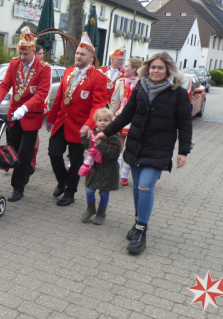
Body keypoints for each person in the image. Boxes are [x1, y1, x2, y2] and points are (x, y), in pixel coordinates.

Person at [95, 52, 192, 254]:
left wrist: (183, 151)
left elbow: (184, 124)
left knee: (145, 186)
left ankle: (141, 231)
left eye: (160, 68)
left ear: (168, 71)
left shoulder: (178, 93)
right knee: (138, 189)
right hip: (136, 145)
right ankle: (139, 221)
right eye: (153, 67)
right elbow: (126, 115)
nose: (155, 71)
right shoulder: (141, 87)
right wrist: (106, 133)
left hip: (160, 148)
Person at [0, 27, 51, 202]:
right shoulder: (14, 64)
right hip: (13, 117)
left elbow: (41, 94)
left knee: (24, 153)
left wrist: (25, 108)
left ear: (34, 52)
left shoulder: (44, 69)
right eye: (20, 53)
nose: (22, 57)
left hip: (30, 117)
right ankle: (26, 169)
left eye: (26, 54)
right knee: (13, 149)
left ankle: (18, 187)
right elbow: (5, 84)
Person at [46, 32, 107, 206]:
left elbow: (98, 106)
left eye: (82, 54)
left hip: (81, 127)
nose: (78, 56)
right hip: (61, 122)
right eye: (77, 53)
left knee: (75, 160)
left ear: (91, 57)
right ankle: (62, 181)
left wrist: (89, 125)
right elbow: (59, 98)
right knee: (54, 153)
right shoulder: (68, 71)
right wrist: (51, 117)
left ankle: (70, 192)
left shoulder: (98, 78)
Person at [79, 108, 120, 225]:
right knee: (89, 190)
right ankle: (90, 208)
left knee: (104, 193)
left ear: (111, 122)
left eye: (106, 120)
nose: (103, 123)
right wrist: (83, 137)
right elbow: (89, 147)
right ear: (95, 122)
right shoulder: (94, 133)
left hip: (108, 170)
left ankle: (101, 213)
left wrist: (100, 143)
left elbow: (112, 154)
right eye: (100, 120)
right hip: (94, 169)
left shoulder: (114, 137)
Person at [109, 57, 143, 186]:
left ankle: (125, 174)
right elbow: (114, 102)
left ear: (135, 69)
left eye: (127, 66)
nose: (124, 68)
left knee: (132, 147)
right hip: (122, 117)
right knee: (118, 146)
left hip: (137, 120)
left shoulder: (142, 83)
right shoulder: (121, 82)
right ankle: (116, 173)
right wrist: (108, 117)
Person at [31, 44, 52, 172]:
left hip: (38, 103)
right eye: (39, 53)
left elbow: (46, 89)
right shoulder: (27, 67)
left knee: (34, 132)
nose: (42, 56)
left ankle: (33, 158)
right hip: (24, 104)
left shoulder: (45, 68)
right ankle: (13, 155)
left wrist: (43, 104)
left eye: (42, 53)